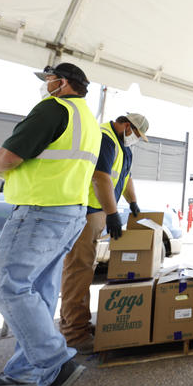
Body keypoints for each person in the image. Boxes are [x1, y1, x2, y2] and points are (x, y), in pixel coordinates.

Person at [0, 62, 101, 386]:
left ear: (64, 83)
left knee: (7, 286)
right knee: (39, 291)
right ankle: (26, 372)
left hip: (40, 211)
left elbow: (9, 157)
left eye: (49, 79)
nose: (46, 85)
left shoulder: (52, 109)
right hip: (70, 213)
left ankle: (55, 364)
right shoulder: (89, 122)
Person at [59, 113, 149, 354]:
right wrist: (112, 213)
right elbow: (100, 177)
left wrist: (133, 203)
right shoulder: (105, 138)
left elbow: (126, 177)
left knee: (85, 270)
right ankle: (74, 333)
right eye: (137, 135)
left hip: (97, 212)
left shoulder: (124, 147)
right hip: (86, 211)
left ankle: (81, 326)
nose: (136, 140)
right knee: (78, 270)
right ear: (127, 126)